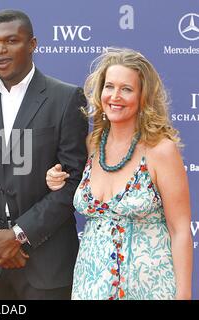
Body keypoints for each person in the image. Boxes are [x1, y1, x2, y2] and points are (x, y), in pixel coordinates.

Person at [0, 9, 88, 299]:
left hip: (46, 263)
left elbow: (74, 181)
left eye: (11, 41)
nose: (0, 50)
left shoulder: (66, 98)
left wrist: (20, 234)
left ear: (32, 44)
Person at [46, 48, 193, 300]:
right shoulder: (91, 144)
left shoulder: (161, 150)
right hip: (90, 288)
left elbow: (180, 229)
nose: (115, 96)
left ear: (143, 97)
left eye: (126, 89)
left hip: (150, 288)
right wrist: (54, 177)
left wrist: (184, 294)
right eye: (109, 86)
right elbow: (68, 179)